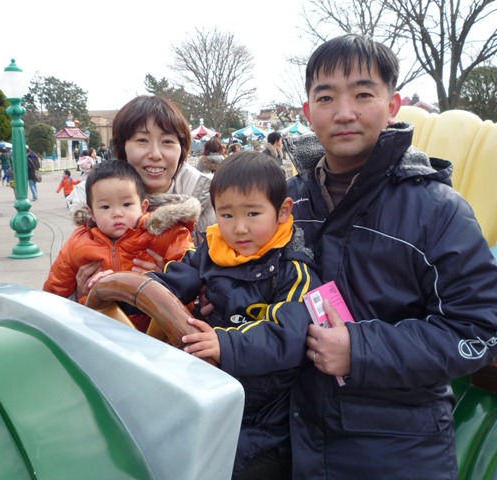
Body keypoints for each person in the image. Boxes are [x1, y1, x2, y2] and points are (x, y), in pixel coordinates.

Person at [275, 34, 497, 479]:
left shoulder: (437, 209)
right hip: (286, 439)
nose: (344, 112)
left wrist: (361, 350)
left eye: (363, 94)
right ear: (308, 112)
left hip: (396, 450)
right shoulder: (284, 204)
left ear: (392, 105)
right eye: (326, 98)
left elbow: (485, 326)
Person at [144, 151, 321, 479]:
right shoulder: (213, 251)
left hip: (261, 414)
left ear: (282, 211)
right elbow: (176, 280)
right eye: (226, 215)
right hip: (207, 391)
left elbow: (288, 334)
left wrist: (225, 344)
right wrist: (133, 288)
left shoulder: (292, 270)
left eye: (253, 213)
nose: (239, 228)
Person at [73, 95, 216, 306]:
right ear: (122, 147)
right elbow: (60, 288)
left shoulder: (210, 200)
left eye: (167, 141)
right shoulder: (95, 202)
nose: (155, 154)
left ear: (182, 149)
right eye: (142, 140)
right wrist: (80, 293)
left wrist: (173, 281)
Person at [43, 160, 200, 332]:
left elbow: (188, 273)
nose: (117, 213)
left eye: (126, 204)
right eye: (105, 207)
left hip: (156, 332)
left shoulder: (162, 233)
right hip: (99, 330)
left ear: (143, 207)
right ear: (91, 213)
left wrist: (162, 277)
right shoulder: (78, 242)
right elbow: (55, 291)